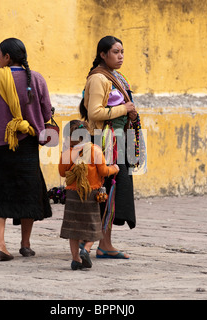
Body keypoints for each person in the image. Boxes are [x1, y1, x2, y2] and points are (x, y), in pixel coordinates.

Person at [0, 38, 53, 261]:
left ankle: (0, 245)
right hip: (27, 146)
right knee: (28, 194)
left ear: (7, 57)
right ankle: (25, 244)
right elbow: (47, 114)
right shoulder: (36, 79)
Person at [79, 35, 140, 259]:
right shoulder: (98, 78)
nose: (120, 56)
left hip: (118, 142)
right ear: (103, 54)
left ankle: (105, 244)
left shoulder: (117, 77)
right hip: (103, 143)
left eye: (122, 51)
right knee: (103, 192)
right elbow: (95, 113)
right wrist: (124, 109)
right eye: (115, 52)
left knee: (113, 192)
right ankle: (90, 243)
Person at [58, 120, 119, 270]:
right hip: (91, 194)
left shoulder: (68, 153)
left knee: (73, 229)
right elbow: (104, 171)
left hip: (72, 195)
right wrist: (114, 169)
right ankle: (86, 250)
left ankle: (75, 259)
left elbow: (61, 172)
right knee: (94, 227)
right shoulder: (95, 150)